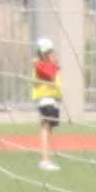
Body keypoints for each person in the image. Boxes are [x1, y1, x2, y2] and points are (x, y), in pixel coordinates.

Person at [32, 36, 62, 171]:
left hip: (52, 99)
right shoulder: (40, 64)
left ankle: (46, 158)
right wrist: (55, 65)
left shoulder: (47, 64)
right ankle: (44, 159)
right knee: (45, 127)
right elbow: (50, 74)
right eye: (48, 52)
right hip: (45, 100)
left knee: (48, 128)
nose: (51, 54)